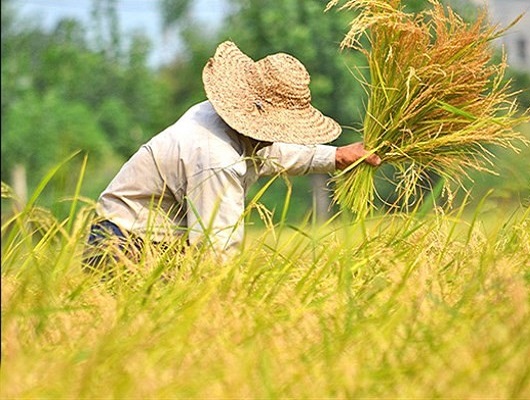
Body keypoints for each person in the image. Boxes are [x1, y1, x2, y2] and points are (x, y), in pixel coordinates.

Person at [84, 40, 381, 266]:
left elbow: (271, 154)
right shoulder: (217, 159)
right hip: (124, 248)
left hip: (149, 243)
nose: (279, 136)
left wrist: (336, 156)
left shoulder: (215, 116)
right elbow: (217, 254)